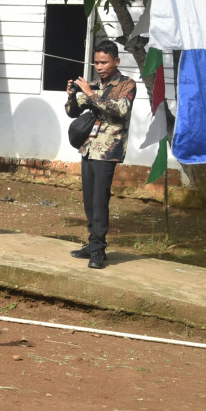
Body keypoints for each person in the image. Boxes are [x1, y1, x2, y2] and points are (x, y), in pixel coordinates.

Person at [64, 39, 136, 270]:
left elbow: (120, 109)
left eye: (104, 62)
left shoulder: (127, 84)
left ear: (116, 61)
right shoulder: (93, 84)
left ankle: (98, 251)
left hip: (108, 151)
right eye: (96, 62)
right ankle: (92, 243)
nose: (100, 66)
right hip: (88, 148)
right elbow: (71, 112)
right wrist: (72, 95)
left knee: (100, 201)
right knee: (89, 201)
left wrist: (91, 94)